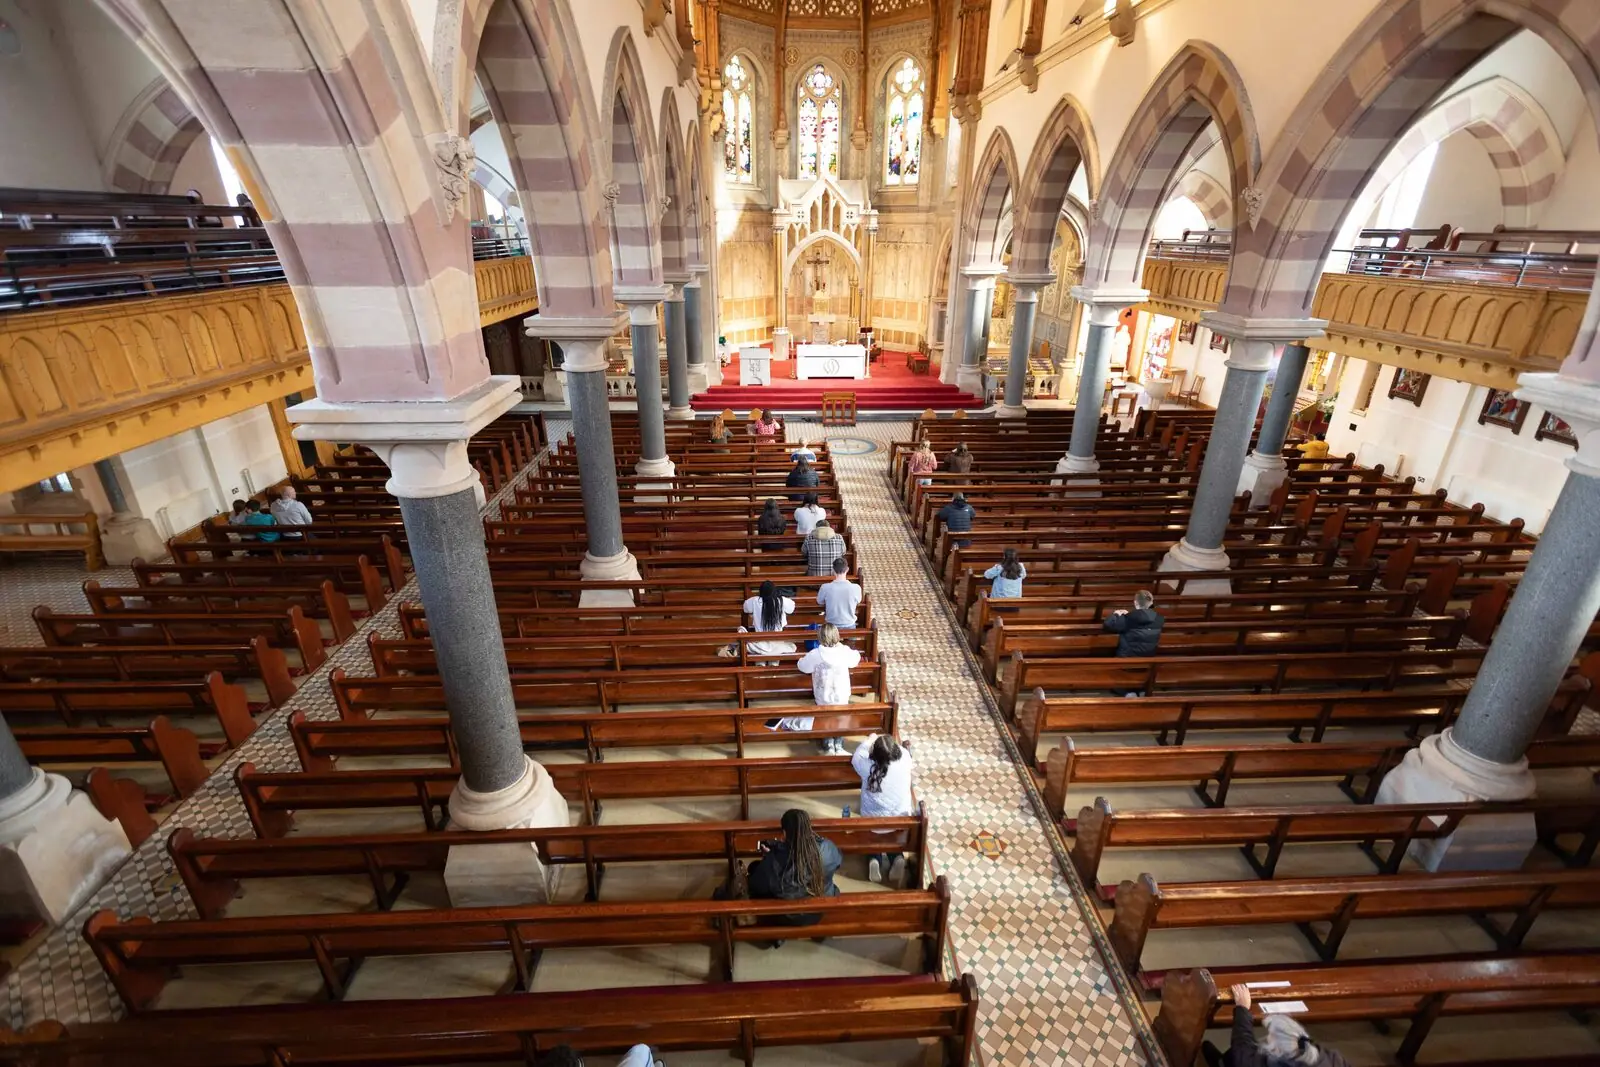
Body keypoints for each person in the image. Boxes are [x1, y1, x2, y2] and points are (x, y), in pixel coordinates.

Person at [1201, 985, 1352, 1067]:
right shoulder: (1333, 1061)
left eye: (1271, 1040)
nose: (1267, 1039)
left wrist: (1242, 1008)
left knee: (1242, 1052)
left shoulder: (1251, 1063)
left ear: (1277, 1051)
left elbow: (1242, 1044)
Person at [746, 808, 842, 930]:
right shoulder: (827, 847)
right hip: (821, 907)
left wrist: (769, 858)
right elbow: (838, 863)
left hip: (791, 916)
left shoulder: (775, 862)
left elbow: (756, 885)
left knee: (756, 880)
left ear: (785, 834)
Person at [850, 733, 915, 885]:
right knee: (888, 829)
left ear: (875, 755)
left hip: (872, 823)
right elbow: (899, 749)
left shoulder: (868, 766)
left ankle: (874, 859)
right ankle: (897, 858)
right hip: (901, 819)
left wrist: (871, 738)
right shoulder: (905, 758)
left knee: (874, 829)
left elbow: (856, 756)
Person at [791, 623, 862, 752]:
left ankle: (828, 741)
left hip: (823, 695)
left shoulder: (816, 654)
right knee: (841, 716)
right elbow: (856, 659)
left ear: (820, 637)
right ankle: (839, 741)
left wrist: (800, 659)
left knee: (824, 715)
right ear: (837, 636)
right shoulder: (844, 651)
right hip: (841, 694)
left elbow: (803, 666)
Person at [741, 580, 797, 657]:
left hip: (760, 641)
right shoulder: (781, 601)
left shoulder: (755, 600)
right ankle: (773, 664)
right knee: (778, 653)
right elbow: (791, 609)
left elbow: (745, 608)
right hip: (777, 642)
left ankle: (760, 664)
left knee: (757, 653)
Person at [1104, 590, 1164, 657]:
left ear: (1135, 602)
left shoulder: (1128, 618)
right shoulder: (1159, 619)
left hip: (1127, 658)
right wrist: (1129, 614)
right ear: (1151, 603)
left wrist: (1116, 614)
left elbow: (1108, 624)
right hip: (1147, 659)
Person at [817, 556, 863, 628]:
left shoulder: (825, 587)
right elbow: (859, 601)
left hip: (831, 626)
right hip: (850, 625)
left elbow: (819, 601)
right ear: (847, 569)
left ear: (833, 570)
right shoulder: (856, 588)